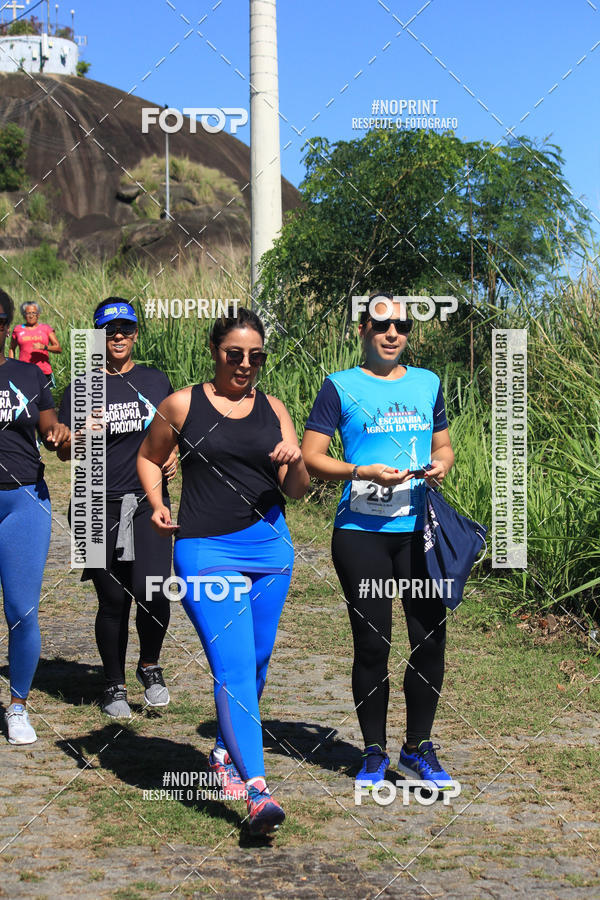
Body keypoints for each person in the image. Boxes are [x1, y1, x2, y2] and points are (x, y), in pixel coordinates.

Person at [137, 306, 309, 835]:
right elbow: (148, 455)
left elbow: (297, 489)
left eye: (256, 357)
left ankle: (222, 753)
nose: (245, 365)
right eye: (235, 354)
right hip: (205, 550)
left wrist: (296, 457)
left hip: (270, 549)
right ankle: (257, 793)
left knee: (256, 663)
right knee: (232, 667)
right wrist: (156, 501)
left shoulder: (274, 407)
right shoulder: (182, 404)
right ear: (215, 351)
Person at [301, 293, 455, 790]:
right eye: (383, 325)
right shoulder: (339, 387)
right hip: (361, 535)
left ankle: (417, 748)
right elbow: (311, 458)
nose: (393, 334)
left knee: (430, 638)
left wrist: (442, 466)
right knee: (373, 643)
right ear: (363, 330)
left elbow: (444, 445)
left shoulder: (428, 382)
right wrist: (359, 471)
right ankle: (372, 752)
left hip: (418, 532)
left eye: (402, 326)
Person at [57, 298, 176, 719]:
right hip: (93, 505)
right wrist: (77, 437)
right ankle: (114, 685)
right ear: (97, 337)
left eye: (125, 329)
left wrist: (174, 452)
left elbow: (172, 432)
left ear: (136, 333)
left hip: (146, 503)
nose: (118, 336)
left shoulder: (156, 381)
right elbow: (63, 453)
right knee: (112, 600)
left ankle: (150, 666)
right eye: (109, 331)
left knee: (154, 590)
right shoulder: (80, 386)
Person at [0, 288, 70, 744]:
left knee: (22, 612)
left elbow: (50, 432)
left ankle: (19, 706)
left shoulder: (27, 375)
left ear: (5, 326)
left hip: (23, 499)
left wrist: (61, 437)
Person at [9, 302, 62, 387]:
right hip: (24, 372)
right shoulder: (17, 330)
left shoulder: (46, 328)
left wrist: (44, 347)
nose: (31, 316)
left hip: (44, 372)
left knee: (46, 399)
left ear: (38, 315)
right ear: (24, 315)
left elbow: (58, 348)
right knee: (26, 398)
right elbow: (12, 348)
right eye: (28, 313)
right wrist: (11, 365)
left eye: (34, 313)